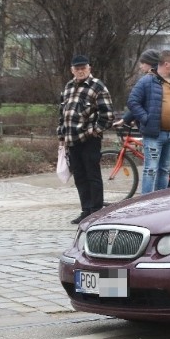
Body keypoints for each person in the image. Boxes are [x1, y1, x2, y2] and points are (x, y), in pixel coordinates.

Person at [57, 55, 115, 224]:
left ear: (89, 68)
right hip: (71, 139)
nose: (80, 71)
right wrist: (61, 136)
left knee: (92, 175)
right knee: (79, 177)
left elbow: (108, 115)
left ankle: (96, 211)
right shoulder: (68, 87)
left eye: (83, 68)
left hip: (89, 139)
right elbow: (62, 114)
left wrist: (94, 130)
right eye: (77, 68)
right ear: (72, 70)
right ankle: (86, 210)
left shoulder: (97, 86)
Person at [127, 49, 170, 194]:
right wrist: (146, 119)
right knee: (150, 169)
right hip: (154, 135)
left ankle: (161, 201)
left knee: (165, 170)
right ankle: (146, 202)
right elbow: (133, 102)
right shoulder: (146, 81)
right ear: (167, 64)